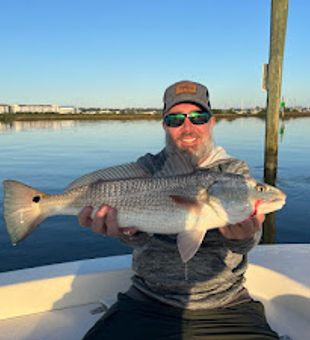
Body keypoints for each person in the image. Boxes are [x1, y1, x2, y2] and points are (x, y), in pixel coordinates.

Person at [77, 81, 279, 339]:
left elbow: (246, 242)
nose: (188, 127)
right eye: (175, 119)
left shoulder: (233, 172)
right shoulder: (147, 168)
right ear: (164, 125)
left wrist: (244, 237)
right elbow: (135, 236)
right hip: (147, 300)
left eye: (198, 117)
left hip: (226, 305)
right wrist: (127, 232)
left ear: (211, 122)